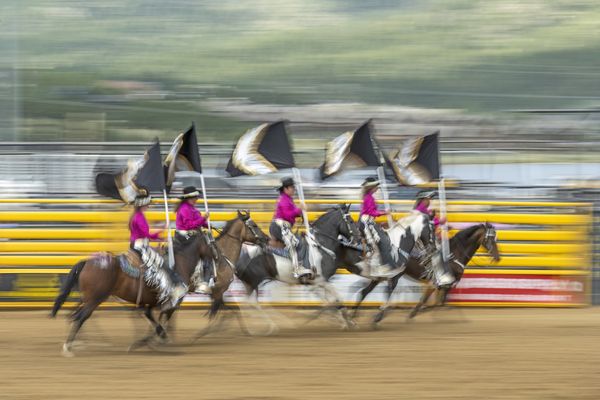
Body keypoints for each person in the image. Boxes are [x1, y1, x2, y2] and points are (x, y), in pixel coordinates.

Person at [130, 192, 187, 308]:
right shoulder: (139, 217)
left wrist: (160, 234)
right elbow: (147, 235)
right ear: (142, 205)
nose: (148, 206)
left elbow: (145, 234)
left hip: (138, 245)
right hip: (141, 247)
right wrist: (161, 232)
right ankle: (168, 292)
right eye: (147, 204)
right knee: (160, 264)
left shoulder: (136, 216)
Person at [270, 177, 313, 280]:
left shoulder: (289, 199)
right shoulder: (283, 199)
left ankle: (302, 266)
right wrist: (300, 209)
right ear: (286, 189)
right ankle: (296, 269)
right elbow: (288, 215)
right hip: (279, 226)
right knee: (294, 242)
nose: (294, 189)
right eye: (292, 188)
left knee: (301, 241)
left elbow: (293, 214)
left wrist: (301, 212)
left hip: (284, 227)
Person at [175, 186, 215, 294]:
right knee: (205, 246)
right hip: (184, 235)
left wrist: (208, 225)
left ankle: (206, 275)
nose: (196, 199)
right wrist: (203, 218)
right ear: (188, 198)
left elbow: (198, 222)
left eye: (196, 197)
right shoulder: (184, 209)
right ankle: (204, 279)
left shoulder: (193, 209)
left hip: (193, 233)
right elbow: (189, 225)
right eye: (194, 197)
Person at [413, 190, 454, 286]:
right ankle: (430, 273)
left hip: (430, 236)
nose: (429, 201)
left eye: (430, 199)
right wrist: (440, 222)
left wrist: (442, 224)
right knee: (435, 253)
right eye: (428, 199)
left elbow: (434, 222)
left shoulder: (426, 211)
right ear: (423, 200)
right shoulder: (418, 211)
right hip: (421, 238)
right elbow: (425, 224)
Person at [359, 177, 396, 277]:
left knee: (382, 240)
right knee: (379, 242)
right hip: (366, 222)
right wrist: (385, 213)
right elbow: (371, 212)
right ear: (372, 187)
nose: (378, 188)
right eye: (376, 186)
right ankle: (377, 268)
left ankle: (381, 266)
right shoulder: (368, 198)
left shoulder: (369, 197)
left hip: (368, 221)